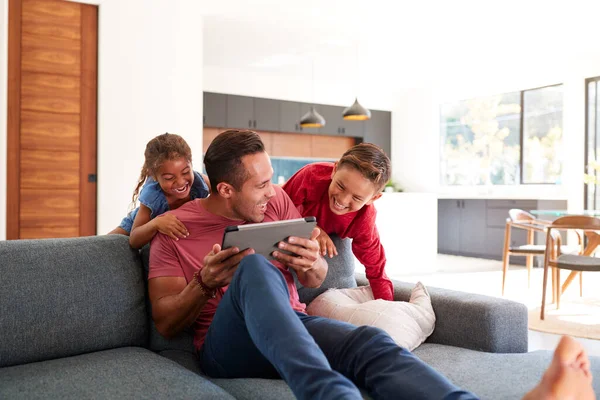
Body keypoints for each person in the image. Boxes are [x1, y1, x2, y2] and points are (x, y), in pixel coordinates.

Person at [147, 129, 478, 400]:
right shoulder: (174, 228)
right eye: (261, 186)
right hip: (227, 344)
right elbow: (165, 323)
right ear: (225, 189)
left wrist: (309, 263)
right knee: (254, 267)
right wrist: (204, 283)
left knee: (371, 343)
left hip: (293, 326)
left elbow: (316, 276)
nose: (272, 192)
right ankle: (327, 393)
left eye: (271, 180)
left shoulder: (276, 202)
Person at [282, 143, 394, 301]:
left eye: (356, 198)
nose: (342, 199)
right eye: (340, 186)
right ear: (334, 170)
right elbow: (278, 210)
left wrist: (388, 308)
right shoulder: (311, 175)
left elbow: (377, 270)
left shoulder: (364, 219)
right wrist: (312, 228)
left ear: (373, 198)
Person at [108, 133, 210, 249]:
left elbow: (223, 192)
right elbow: (134, 239)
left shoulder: (199, 182)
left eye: (186, 172)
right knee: (103, 245)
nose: (181, 182)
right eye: (169, 178)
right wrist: (156, 223)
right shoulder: (152, 195)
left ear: (191, 165)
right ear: (155, 177)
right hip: (144, 221)